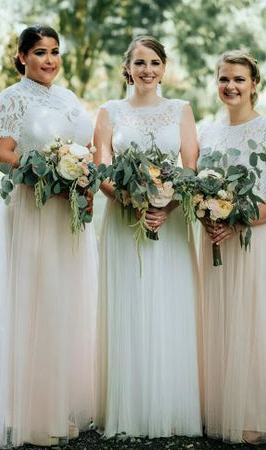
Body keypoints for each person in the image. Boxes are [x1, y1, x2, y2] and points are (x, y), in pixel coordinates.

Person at [0, 25, 97, 448]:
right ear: (22, 57)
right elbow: (0, 155)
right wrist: (47, 173)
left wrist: (82, 176)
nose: (49, 60)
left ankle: (59, 403)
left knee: (66, 300)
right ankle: (32, 414)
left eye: (54, 52)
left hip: (68, 210)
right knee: (37, 301)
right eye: (40, 52)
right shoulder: (12, 98)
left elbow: (85, 148)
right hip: (33, 208)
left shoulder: (67, 98)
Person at [93, 35, 202, 438]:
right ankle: (131, 407)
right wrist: (130, 201)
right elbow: (100, 167)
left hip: (171, 222)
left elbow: (190, 167)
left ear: (164, 67)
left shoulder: (181, 110)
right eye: (139, 63)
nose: (147, 70)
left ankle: (171, 404)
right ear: (127, 68)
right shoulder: (109, 111)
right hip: (123, 220)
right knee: (130, 303)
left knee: (168, 304)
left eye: (154, 62)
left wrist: (165, 206)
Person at [198, 50, 266, 445]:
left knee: (257, 325)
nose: (231, 86)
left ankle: (259, 413)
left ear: (254, 84)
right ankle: (223, 409)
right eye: (224, 78)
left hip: (258, 241)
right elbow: (197, 189)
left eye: (239, 79)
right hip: (215, 244)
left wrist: (237, 219)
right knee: (221, 324)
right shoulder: (206, 133)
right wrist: (207, 216)